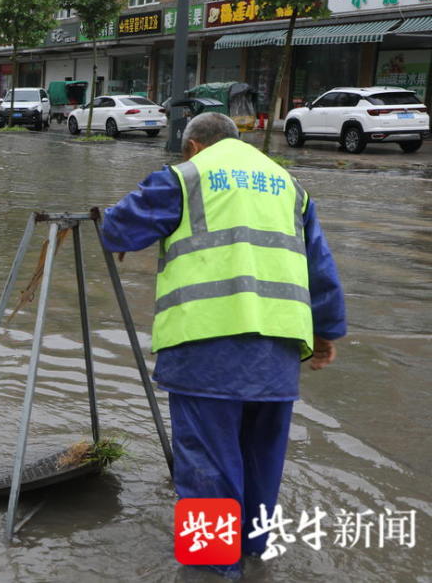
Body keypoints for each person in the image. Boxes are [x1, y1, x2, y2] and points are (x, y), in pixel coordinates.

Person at [99, 113, 345, 575]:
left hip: (206, 347)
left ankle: (212, 568)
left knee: (208, 468)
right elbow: (321, 269)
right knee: (260, 463)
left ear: (193, 146)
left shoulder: (186, 177)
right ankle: (252, 555)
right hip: (278, 352)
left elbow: (117, 227)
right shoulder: (288, 184)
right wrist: (327, 331)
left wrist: (117, 234)